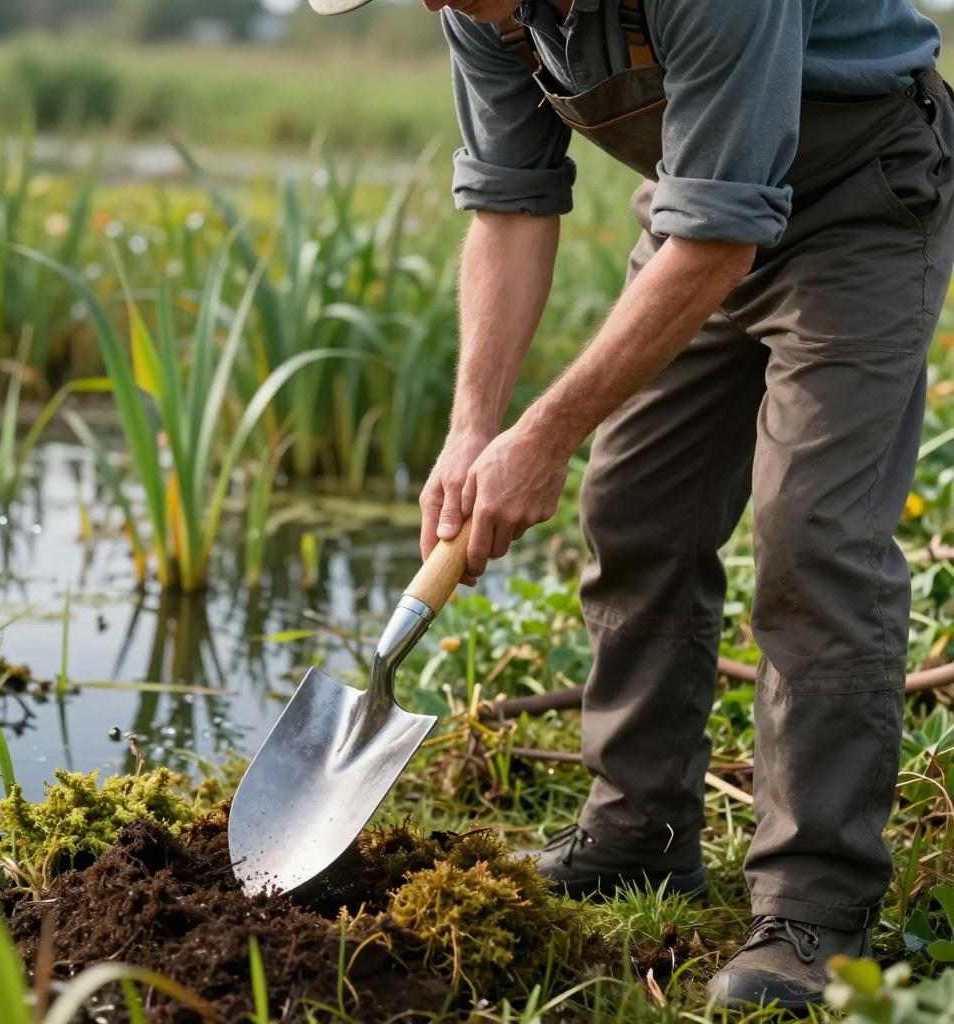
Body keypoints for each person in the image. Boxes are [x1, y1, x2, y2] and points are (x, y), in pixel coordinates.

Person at [309, 0, 954, 1009]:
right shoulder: (485, 11)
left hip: (857, 202)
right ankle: (636, 832)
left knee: (812, 539)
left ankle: (814, 910)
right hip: (697, 213)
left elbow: (719, 238)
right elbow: (512, 203)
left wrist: (547, 432)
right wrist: (475, 426)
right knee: (634, 509)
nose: (434, 2)